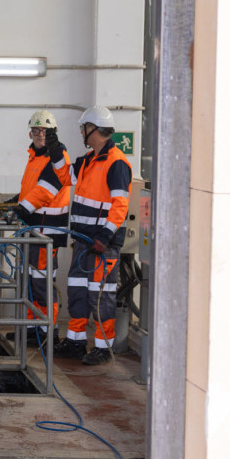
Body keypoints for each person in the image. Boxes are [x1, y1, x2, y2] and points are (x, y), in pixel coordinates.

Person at [53, 105, 132, 365]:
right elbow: (65, 176)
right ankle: (75, 342)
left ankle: (102, 348)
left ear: (93, 129)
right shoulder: (87, 160)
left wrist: (105, 236)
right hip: (82, 242)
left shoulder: (116, 163)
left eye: (83, 128)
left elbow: (120, 205)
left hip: (102, 245)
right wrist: (55, 150)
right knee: (77, 292)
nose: (81, 132)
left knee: (101, 297)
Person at [11, 110, 70, 346]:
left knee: (42, 282)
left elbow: (46, 190)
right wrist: (16, 202)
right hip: (32, 229)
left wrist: (22, 208)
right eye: (35, 130)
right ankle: (31, 328)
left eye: (44, 130)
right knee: (27, 280)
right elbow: (31, 190)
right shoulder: (34, 157)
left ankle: (48, 330)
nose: (39, 135)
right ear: (30, 133)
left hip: (46, 231)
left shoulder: (57, 157)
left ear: (53, 133)